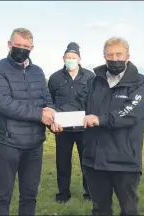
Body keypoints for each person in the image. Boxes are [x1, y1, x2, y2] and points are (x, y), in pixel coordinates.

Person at [51, 37, 144, 215]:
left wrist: (100, 119)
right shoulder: (94, 81)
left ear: (128, 56)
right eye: (110, 55)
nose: (114, 59)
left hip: (125, 162)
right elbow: (78, 104)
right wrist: (57, 116)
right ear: (104, 57)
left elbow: (130, 112)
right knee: (99, 210)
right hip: (95, 161)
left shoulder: (140, 83)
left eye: (119, 54)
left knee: (129, 210)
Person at [0, 27, 55, 216]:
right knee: (3, 196)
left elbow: (46, 99)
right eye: (18, 45)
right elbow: (3, 103)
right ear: (9, 45)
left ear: (32, 47)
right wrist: (40, 114)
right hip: (8, 142)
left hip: (34, 145)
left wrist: (52, 119)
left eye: (26, 46)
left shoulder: (38, 72)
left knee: (30, 195)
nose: (22, 49)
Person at [47, 42, 95, 203]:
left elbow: (94, 101)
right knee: (62, 163)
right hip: (63, 130)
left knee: (87, 162)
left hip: (84, 129)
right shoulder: (54, 78)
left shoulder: (90, 77)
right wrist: (53, 122)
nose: (70, 60)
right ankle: (63, 194)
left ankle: (89, 193)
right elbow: (49, 102)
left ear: (79, 59)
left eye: (73, 57)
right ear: (63, 58)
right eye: (68, 57)